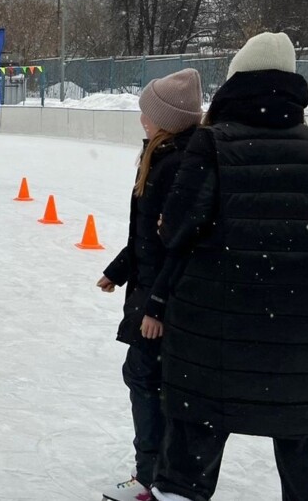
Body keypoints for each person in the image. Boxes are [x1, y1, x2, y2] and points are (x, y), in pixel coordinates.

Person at [149, 33, 308, 501]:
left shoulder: (212, 143)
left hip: (214, 332)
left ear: (236, 80)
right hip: (303, 339)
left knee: (191, 451)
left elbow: (176, 230)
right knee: (304, 452)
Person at [95, 69, 202, 501]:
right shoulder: (163, 155)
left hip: (163, 296)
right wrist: (120, 268)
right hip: (152, 288)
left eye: (147, 112)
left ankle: (152, 477)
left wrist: (157, 307)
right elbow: (147, 233)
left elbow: (178, 244)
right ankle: (157, 473)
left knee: (147, 378)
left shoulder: (176, 162)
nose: (142, 118)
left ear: (167, 120)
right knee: (146, 377)